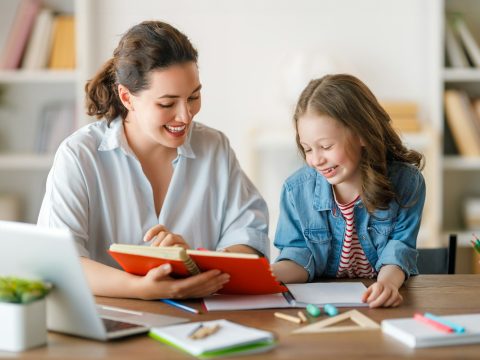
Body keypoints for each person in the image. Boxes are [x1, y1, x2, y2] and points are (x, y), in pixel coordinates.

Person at [37, 20, 269, 300]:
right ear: (127, 97)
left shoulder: (214, 147)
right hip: (107, 323)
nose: (185, 116)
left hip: (198, 322)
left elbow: (249, 237)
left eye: (193, 96)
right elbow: (60, 261)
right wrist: (140, 288)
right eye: (167, 103)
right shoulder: (79, 156)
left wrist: (194, 262)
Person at [271, 74, 425, 308]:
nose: (316, 160)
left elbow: (399, 249)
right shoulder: (295, 191)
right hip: (321, 308)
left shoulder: (407, 183)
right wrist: (266, 276)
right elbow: (298, 255)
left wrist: (388, 285)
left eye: (326, 146)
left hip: (377, 306)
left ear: (362, 133)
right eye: (307, 149)